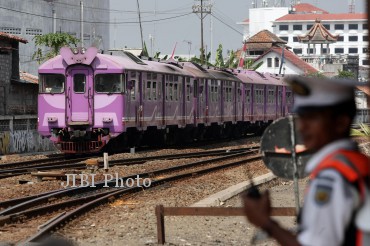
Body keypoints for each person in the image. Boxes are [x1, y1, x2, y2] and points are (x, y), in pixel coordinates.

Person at [243, 75, 370, 246]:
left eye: (313, 118)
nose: (302, 126)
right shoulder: (358, 164)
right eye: (302, 117)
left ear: (340, 123)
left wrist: (266, 223)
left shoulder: (332, 178)